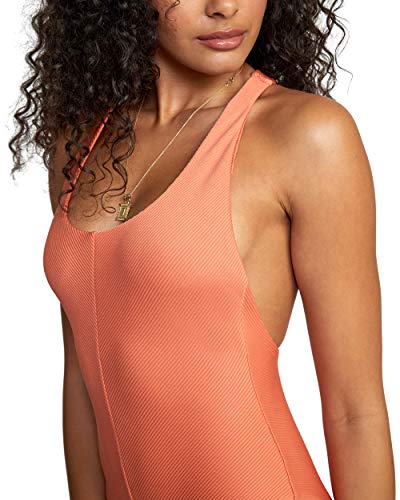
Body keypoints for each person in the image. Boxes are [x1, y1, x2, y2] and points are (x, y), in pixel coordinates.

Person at [9, 1, 395, 499]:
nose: (225, 7)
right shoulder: (82, 141)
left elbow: (354, 412)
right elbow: (83, 380)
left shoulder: (305, 135)